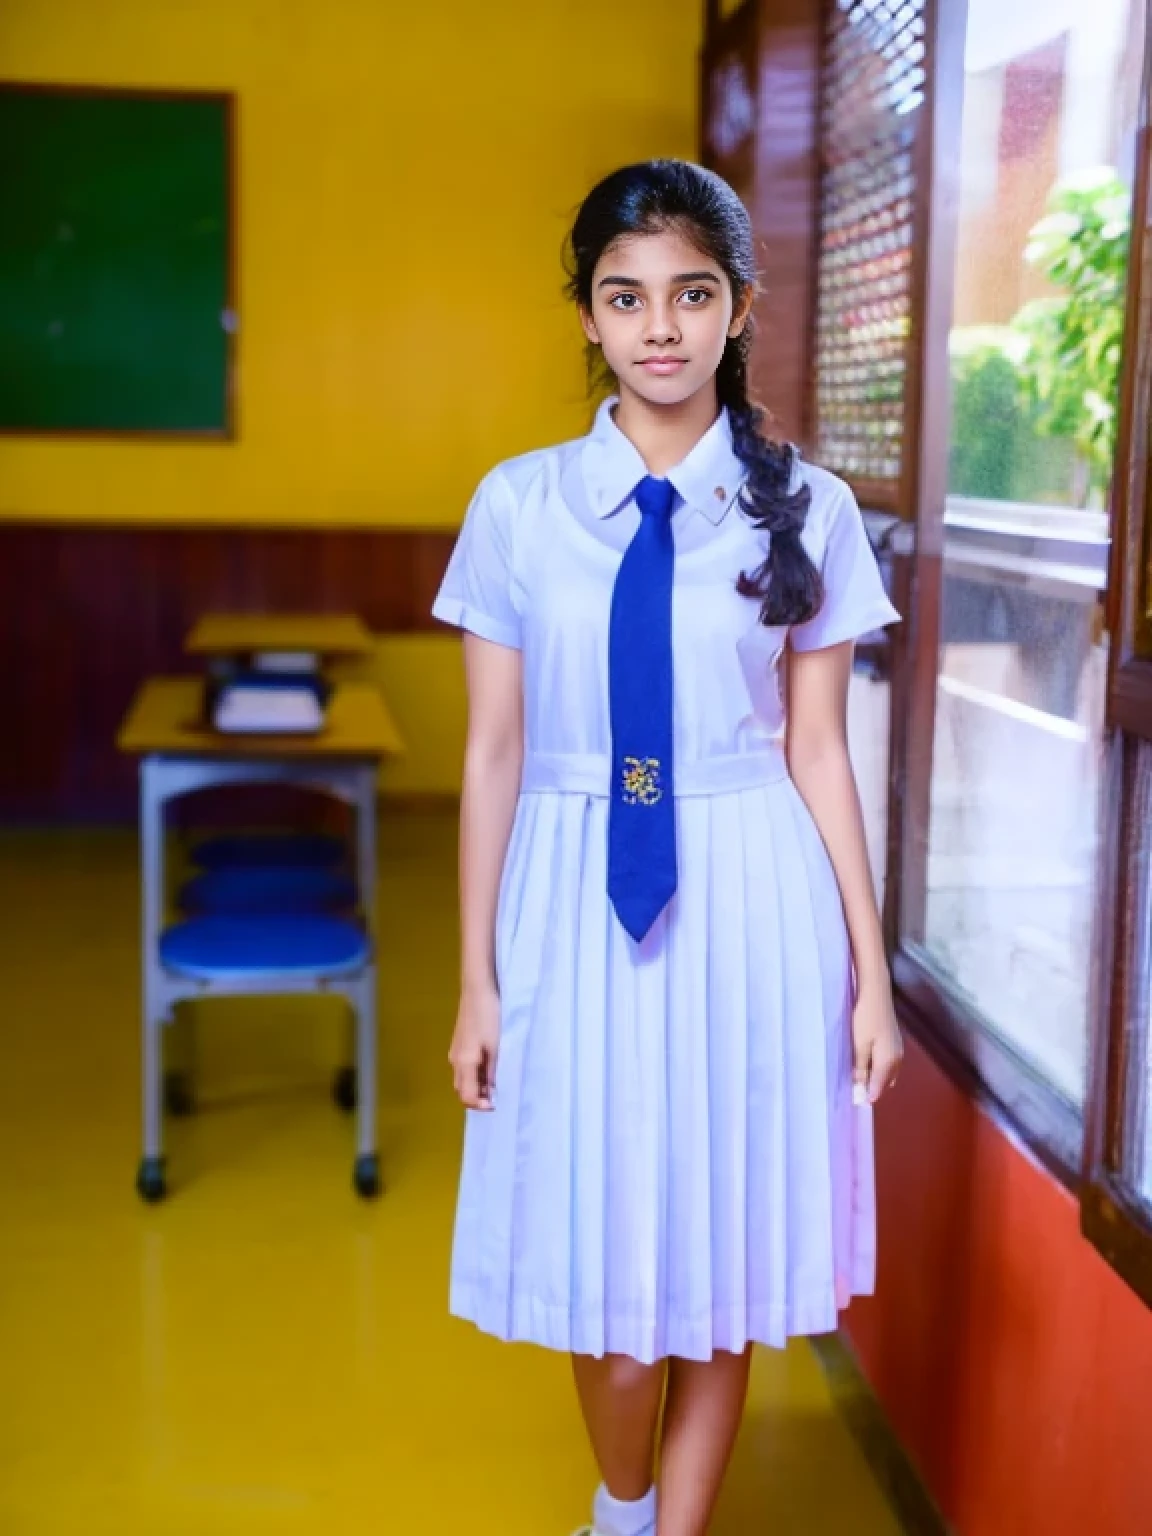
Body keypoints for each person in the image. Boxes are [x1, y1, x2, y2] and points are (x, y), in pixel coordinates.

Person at [431, 159, 904, 1536]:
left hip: (751, 894)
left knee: (719, 1256)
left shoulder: (809, 507)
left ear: (738, 307)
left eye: (692, 295)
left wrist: (870, 976)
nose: (659, 327)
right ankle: (622, 1500)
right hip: (572, 898)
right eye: (625, 296)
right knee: (615, 1294)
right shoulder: (518, 506)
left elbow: (821, 753)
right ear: (587, 314)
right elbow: (493, 754)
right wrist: (475, 980)